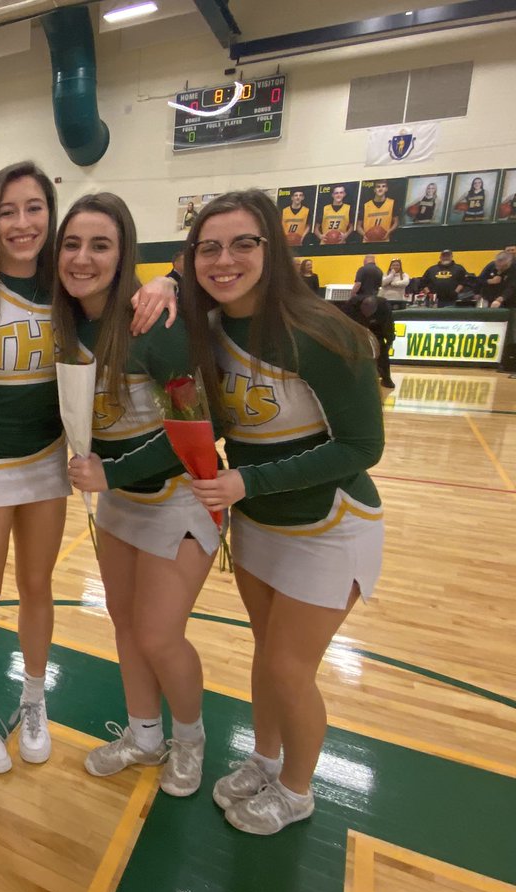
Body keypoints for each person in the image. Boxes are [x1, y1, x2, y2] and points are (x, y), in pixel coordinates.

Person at [0, 160, 177, 775]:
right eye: (7, 210)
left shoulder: (67, 293)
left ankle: (32, 700)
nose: (23, 223)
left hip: (49, 463)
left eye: (34, 209)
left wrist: (171, 282)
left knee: (37, 589)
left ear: (50, 216)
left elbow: (126, 287)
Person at [185, 190, 384, 836]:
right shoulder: (210, 332)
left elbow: (363, 447)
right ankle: (265, 759)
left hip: (330, 525)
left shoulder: (324, 333)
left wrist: (248, 479)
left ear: (275, 246)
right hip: (258, 522)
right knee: (267, 652)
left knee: (289, 667)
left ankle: (298, 790)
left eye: (244, 243)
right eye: (209, 247)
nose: (225, 260)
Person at [54, 193, 220, 797]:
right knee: (124, 626)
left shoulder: (156, 324)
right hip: (121, 503)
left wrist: (112, 474)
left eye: (100, 244)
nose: (83, 257)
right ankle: (144, 735)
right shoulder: (66, 325)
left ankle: (191, 738)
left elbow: (197, 429)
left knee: (158, 634)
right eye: (71, 244)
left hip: (180, 497)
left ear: (124, 254)